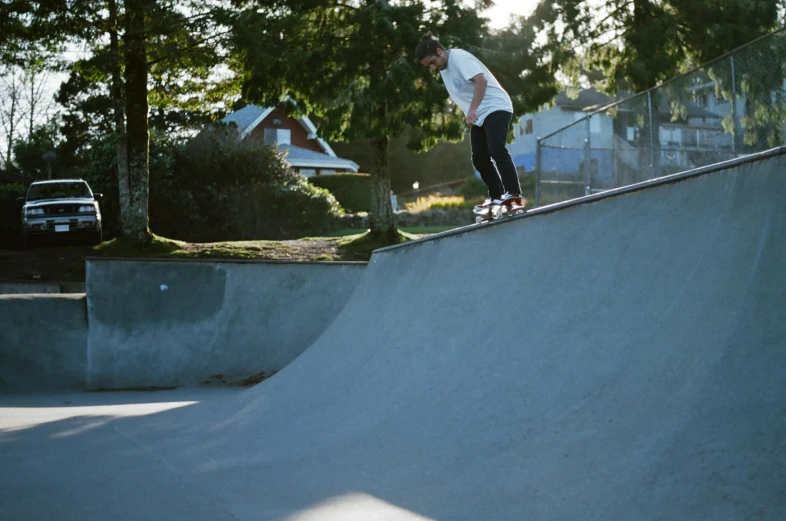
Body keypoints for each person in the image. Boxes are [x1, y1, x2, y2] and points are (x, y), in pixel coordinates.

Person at [416, 32, 525, 212]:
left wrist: (472, 109)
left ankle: (513, 193)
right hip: (479, 114)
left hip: (495, 105)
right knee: (479, 159)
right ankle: (497, 197)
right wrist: (471, 112)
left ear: (439, 51)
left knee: (496, 149)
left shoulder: (458, 57)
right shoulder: (444, 69)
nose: (433, 68)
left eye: (433, 62)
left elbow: (480, 81)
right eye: (429, 66)